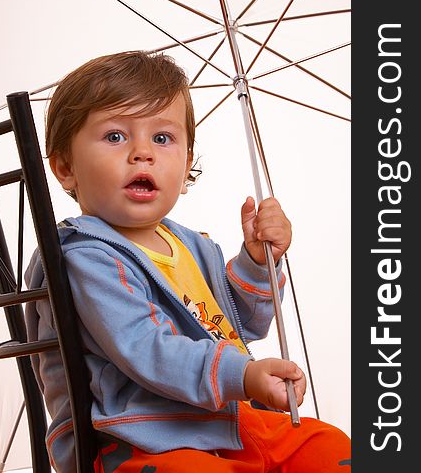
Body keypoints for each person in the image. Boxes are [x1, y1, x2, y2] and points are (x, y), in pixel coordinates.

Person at [25, 51, 351, 472]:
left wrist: (256, 261)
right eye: (115, 136)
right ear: (66, 168)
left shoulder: (192, 246)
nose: (142, 153)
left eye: (162, 138)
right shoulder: (86, 257)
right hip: (140, 436)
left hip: (224, 421)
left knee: (327, 446)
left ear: (185, 164)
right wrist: (245, 376)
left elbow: (243, 325)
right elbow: (146, 350)